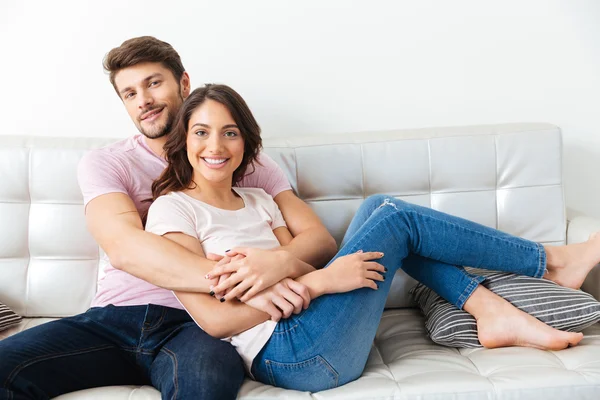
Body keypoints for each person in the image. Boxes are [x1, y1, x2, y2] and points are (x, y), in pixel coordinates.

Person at [145, 83, 600, 392]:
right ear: (184, 139)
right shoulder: (173, 209)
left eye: (230, 133)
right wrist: (319, 282)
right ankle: (551, 263)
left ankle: (491, 309)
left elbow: (303, 261)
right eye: (201, 133)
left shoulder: (259, 200)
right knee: (392, 217)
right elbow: (215, 321)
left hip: (315, 327)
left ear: (246, 142)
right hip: (289, 355)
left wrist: (288, 268)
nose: (216, 147)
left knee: (377, 210)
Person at [0, 37, 337, 400]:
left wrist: (275, 265)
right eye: (129, 94)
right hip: (115, 319)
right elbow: (125, 248)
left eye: (153, 83)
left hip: (196, 326)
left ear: (184, 84)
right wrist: (242, 283)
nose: (143, 100)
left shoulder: (239, 159)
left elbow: (317, 239)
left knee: (205, 385)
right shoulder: (108, 162)